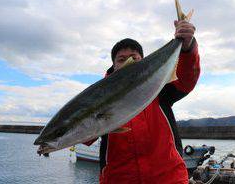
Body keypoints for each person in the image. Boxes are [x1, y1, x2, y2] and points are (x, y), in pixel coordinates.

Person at [85, 20, 200, 184]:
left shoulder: (160, 88)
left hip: (168, 179)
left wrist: (187, 48)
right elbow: (83, 136)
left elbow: (187, 78)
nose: (127, 62)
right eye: (121, 59)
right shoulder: (98, 97)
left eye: (134, 57)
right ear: (113, 66)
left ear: (143, 61)